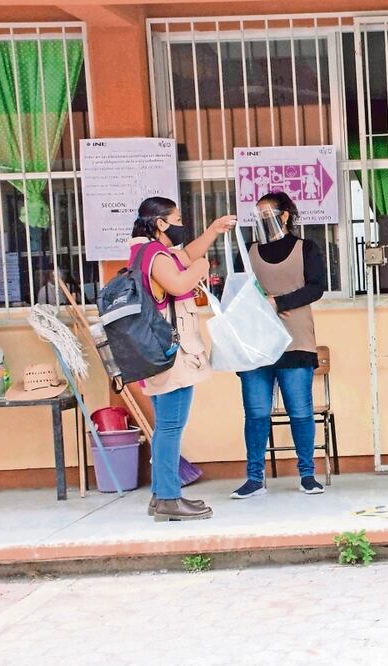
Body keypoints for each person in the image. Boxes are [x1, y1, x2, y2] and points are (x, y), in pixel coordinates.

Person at [128, 197, 236, 521]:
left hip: (162, 349)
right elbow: (179, 282)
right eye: (175, 220)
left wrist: (213, 232)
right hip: (173, 352)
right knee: (171, 427)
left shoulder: (149, 252)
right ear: (160, 223)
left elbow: (185, 255)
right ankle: (170, 499)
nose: (180, 225)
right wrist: (202, 268)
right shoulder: (153, 254)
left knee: (166, 426)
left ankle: (160, 496)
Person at [231, 192, 327, 499]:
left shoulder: (306, 248)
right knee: (256, 412)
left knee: (300, 411)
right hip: (256, 342)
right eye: (257, 214)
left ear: (284, 215)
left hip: (296, 340)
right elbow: (237, 291)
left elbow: (316, 287)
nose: (261, 219)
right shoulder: (248, 251)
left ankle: (307, 475)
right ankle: (254, 478)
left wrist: (279, 302)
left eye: (267, 213)